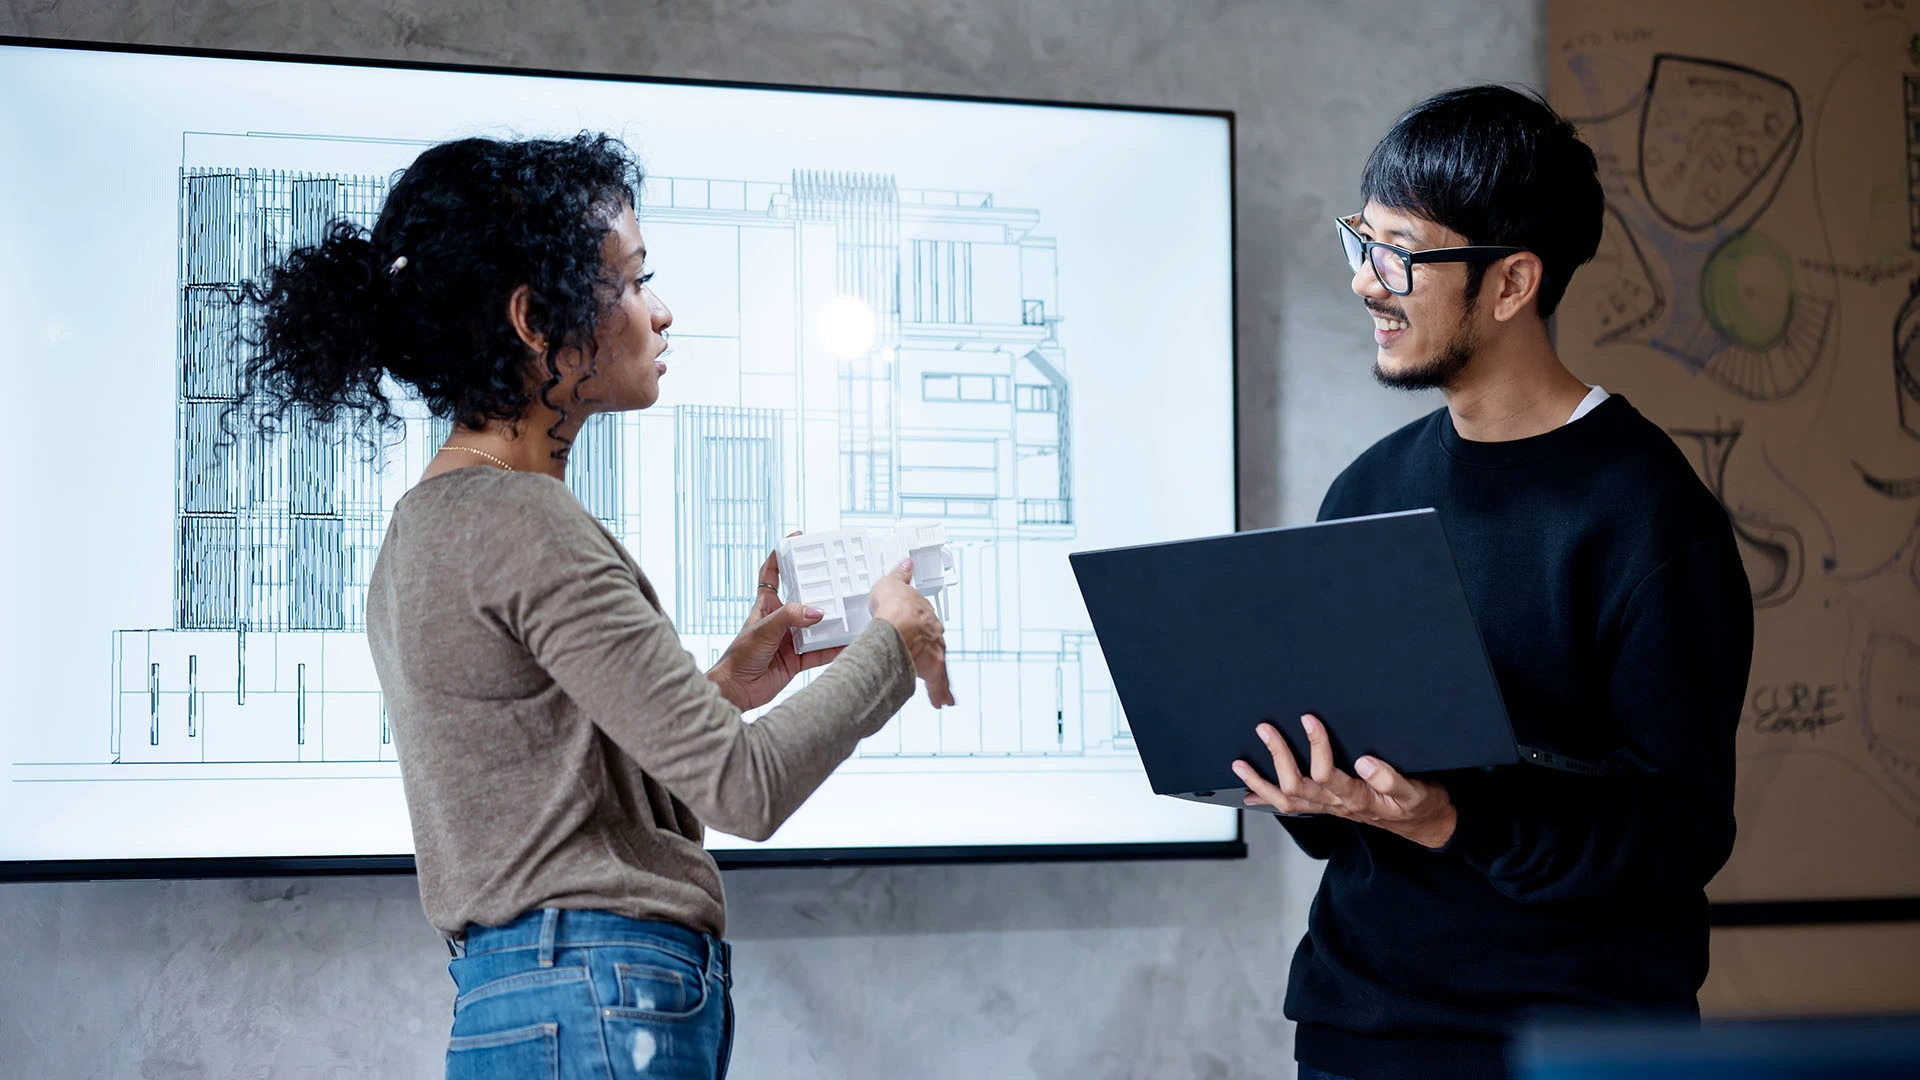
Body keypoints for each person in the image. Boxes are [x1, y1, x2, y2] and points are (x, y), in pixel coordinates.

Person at [237, 133, 954, 1080]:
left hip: (534, 997)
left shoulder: (429, 527)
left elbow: (561, 792)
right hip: (596, 995)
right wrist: (895, 644)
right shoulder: (526, 521)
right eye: (631, 281)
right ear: (536, 320)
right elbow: (745, 788)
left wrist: (722, 688)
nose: (660, 313)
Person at [1231, 87, 1755, 1080]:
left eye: (1401, 255)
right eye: (1362, 242)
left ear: (1512, 282)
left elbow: (1678, 836)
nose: (1364, 284)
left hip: (1568, 1044)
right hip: (1359, 1026)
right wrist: (1311, 790)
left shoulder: (1651, 519)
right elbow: (1347, 821)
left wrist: (1457, 816)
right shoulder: (1371, 488)